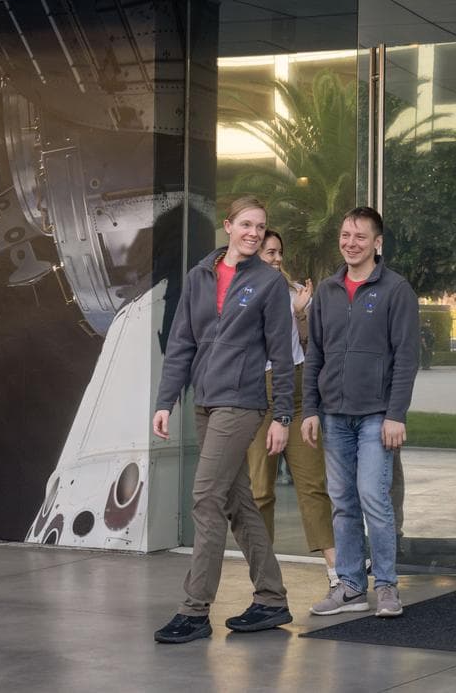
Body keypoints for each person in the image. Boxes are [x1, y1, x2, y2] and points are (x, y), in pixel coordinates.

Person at [151, 196, 295, 644]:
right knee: (236, 501)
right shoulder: (200, 277)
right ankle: (271, 598)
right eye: (247, 225)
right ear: (228, 227)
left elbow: (282, 354)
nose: (254, 233)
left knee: (205, 497)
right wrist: (165, 400)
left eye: (261, 226)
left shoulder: (269, 283)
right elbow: (181, 343)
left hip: (242, 402)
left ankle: (194, 610)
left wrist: (283, 415)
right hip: (205, 402)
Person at [302, 207, 419, 618]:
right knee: (342, 501)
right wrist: (309, 410)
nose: (351, 243)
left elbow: (406, 357)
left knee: (374, 497)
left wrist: (396, 414)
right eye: (345, 235)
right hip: (333, 414)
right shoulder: (328, 291)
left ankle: (386, 585)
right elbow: (314, 353)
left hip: (375, 415)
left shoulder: (396, 289)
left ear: (377, 243)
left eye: (360, 237)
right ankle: (351, 586)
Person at [245, 230, 338, 586]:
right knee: (260, 489)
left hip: (297, 390)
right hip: (260, 392)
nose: (277, 258)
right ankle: (264, 578)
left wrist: (300, 314)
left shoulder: (293, 290)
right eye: (270, 252)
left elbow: (310, 343)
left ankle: (336, 569)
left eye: (279, 252)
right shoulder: (244, 292)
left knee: (313, 483)